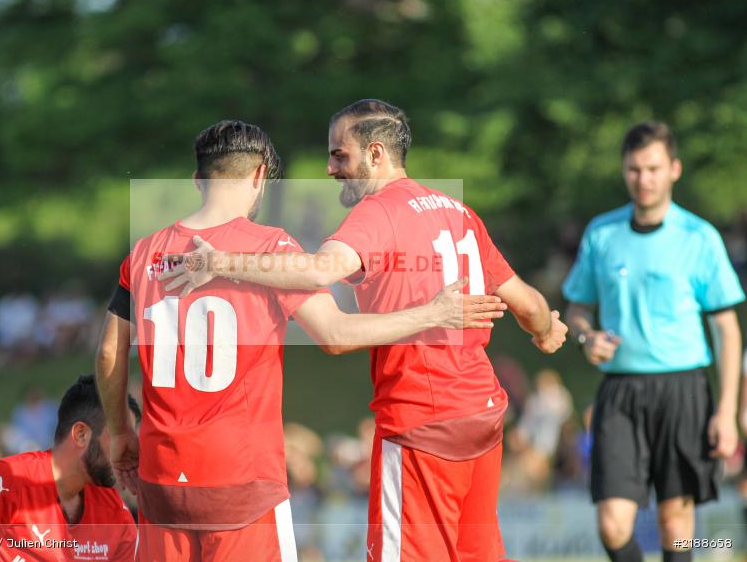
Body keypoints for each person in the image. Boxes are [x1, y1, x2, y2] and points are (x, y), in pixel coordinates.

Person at [160, 100, 568, 561]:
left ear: (376, 154)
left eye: (340, 155)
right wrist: (546, 330)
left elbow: (318, 273)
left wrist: (222, 262)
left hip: (423, 422)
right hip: (482, 413)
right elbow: (529, 302)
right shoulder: (458, 210)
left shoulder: (378, 213)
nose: (331, 168)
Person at [563, 121, 745, 562]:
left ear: (674, 169)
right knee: (612, 525)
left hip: (683, 390)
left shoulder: (699, 237)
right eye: (634, 169)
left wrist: (726, 412)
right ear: (624, 171)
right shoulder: (602, 234)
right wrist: (586, 336)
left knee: (675, 528)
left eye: (653, 168)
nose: (643, 179)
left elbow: (726, 329)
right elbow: (577, 309)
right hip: (621, 392)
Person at [0, 375, 141, 561]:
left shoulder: (115, 514)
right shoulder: (3, 482)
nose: (128, 450)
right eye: (118, 437)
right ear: (81, 434)